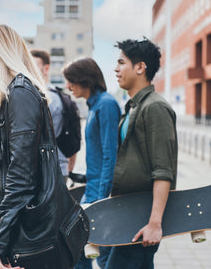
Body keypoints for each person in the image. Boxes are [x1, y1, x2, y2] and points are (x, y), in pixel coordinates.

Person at [0, 24, 78, 269]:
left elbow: (20, 180)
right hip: (7, 233)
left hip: (16, 241)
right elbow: (1, 183)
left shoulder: (20, 95)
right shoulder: (12, 97)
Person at [104, 38, 178, 269]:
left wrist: (155, 223)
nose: (116, 69)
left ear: (140, 67)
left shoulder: (154, 107)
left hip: (141, 217)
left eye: (121, 62)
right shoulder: (135, 107)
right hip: (128, 213)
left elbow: (163, 170)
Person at [62, 57, 121, 269]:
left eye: (70, 80)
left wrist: (102, 198)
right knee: (80, 252)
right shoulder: (95, 105)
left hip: (99, 194)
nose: (68, 86)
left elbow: (110, 155)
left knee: (101, 255)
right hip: (93, 188)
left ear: (84, 79)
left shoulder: (106, 104)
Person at [30, 49, 77, 182]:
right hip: (59, 168)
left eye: (33, 66)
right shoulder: (59, 96)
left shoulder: (46, 97)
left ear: (46, 68)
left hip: (45, 173)